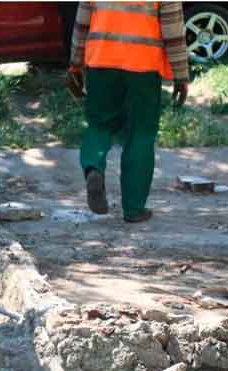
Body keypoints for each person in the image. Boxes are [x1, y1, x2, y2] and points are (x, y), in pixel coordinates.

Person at [68, 2, 189, 223]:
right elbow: (173, 31)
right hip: (144, 66)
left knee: (99, 125)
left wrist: (75, 64)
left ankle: (94, 168)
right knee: (141, 134)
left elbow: (82, 22)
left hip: (101, 61)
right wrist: (181, 75)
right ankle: (134, 209)